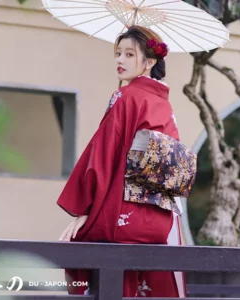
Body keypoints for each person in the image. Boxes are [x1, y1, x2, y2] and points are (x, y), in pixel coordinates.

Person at [57, 25, 186, 298]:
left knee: (81, 241)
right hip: (160, 218)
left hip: (124, 213)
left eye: (129, 54)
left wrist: (83, 209)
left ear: (149, 62)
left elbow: (102, 155)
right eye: (118, 53)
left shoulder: (125, 97)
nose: (119, 60)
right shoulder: (165, 104)